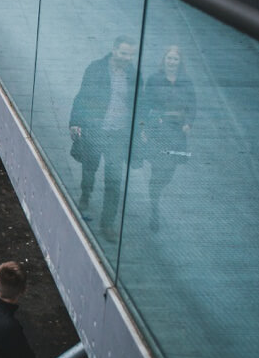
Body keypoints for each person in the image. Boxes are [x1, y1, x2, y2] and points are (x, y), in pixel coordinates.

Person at [69, 35, 138, 241]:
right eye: (124, 53)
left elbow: (139, 104)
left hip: (118, 135)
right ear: (114, 50)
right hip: (96, 129)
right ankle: (86, 192)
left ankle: (108, 223)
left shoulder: (134, 75)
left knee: (114, 180)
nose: (127, 58)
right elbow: (82, 96)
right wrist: (75, 122)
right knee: (90, 166)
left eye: (131, 55)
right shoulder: (96, 68)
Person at [139, 45, 195, 232]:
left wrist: (189, 122)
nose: (172, 62)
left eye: (175, 59)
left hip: (177, 132)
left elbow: (192, 106)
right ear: (164, 60)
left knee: (169, 171)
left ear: (180, 62)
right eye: (169, 58)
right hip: (160, 129)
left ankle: (156, 191)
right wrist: (145, 126)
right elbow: (146, 104)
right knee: (159, 167)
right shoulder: (155, 80)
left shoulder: (186, 82)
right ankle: (154, 206)